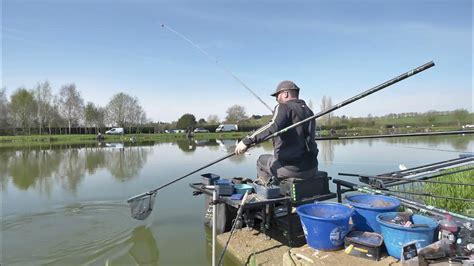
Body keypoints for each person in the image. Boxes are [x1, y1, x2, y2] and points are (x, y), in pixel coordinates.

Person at [235, 80, 319, 185]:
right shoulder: (308, 111)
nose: (276, 99)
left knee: (261, 161)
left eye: (277, 95)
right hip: (312, 168)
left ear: (285, 94)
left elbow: (272, 126)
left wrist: (247, 141)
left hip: (290, 170)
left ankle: (267, 193)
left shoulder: (283, 106)